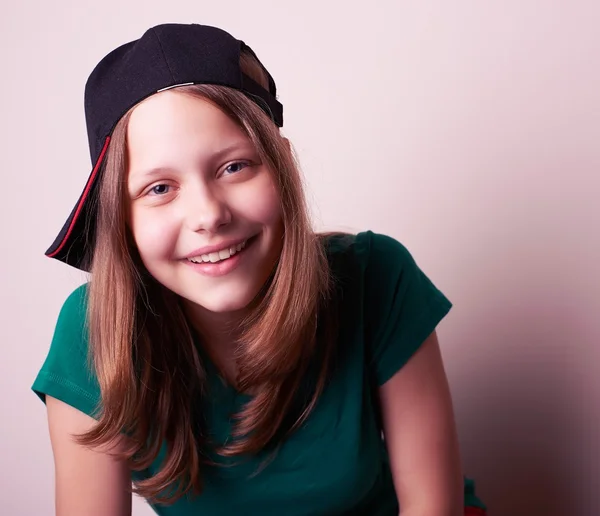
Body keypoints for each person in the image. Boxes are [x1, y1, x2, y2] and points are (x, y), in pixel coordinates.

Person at [32, 23, 487, 516]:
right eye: (159, 188)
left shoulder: (374, 279)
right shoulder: (92, 334)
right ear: (119, 218)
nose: (209, 216)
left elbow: (431, 508)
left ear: (282, 166)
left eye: (234, 167)